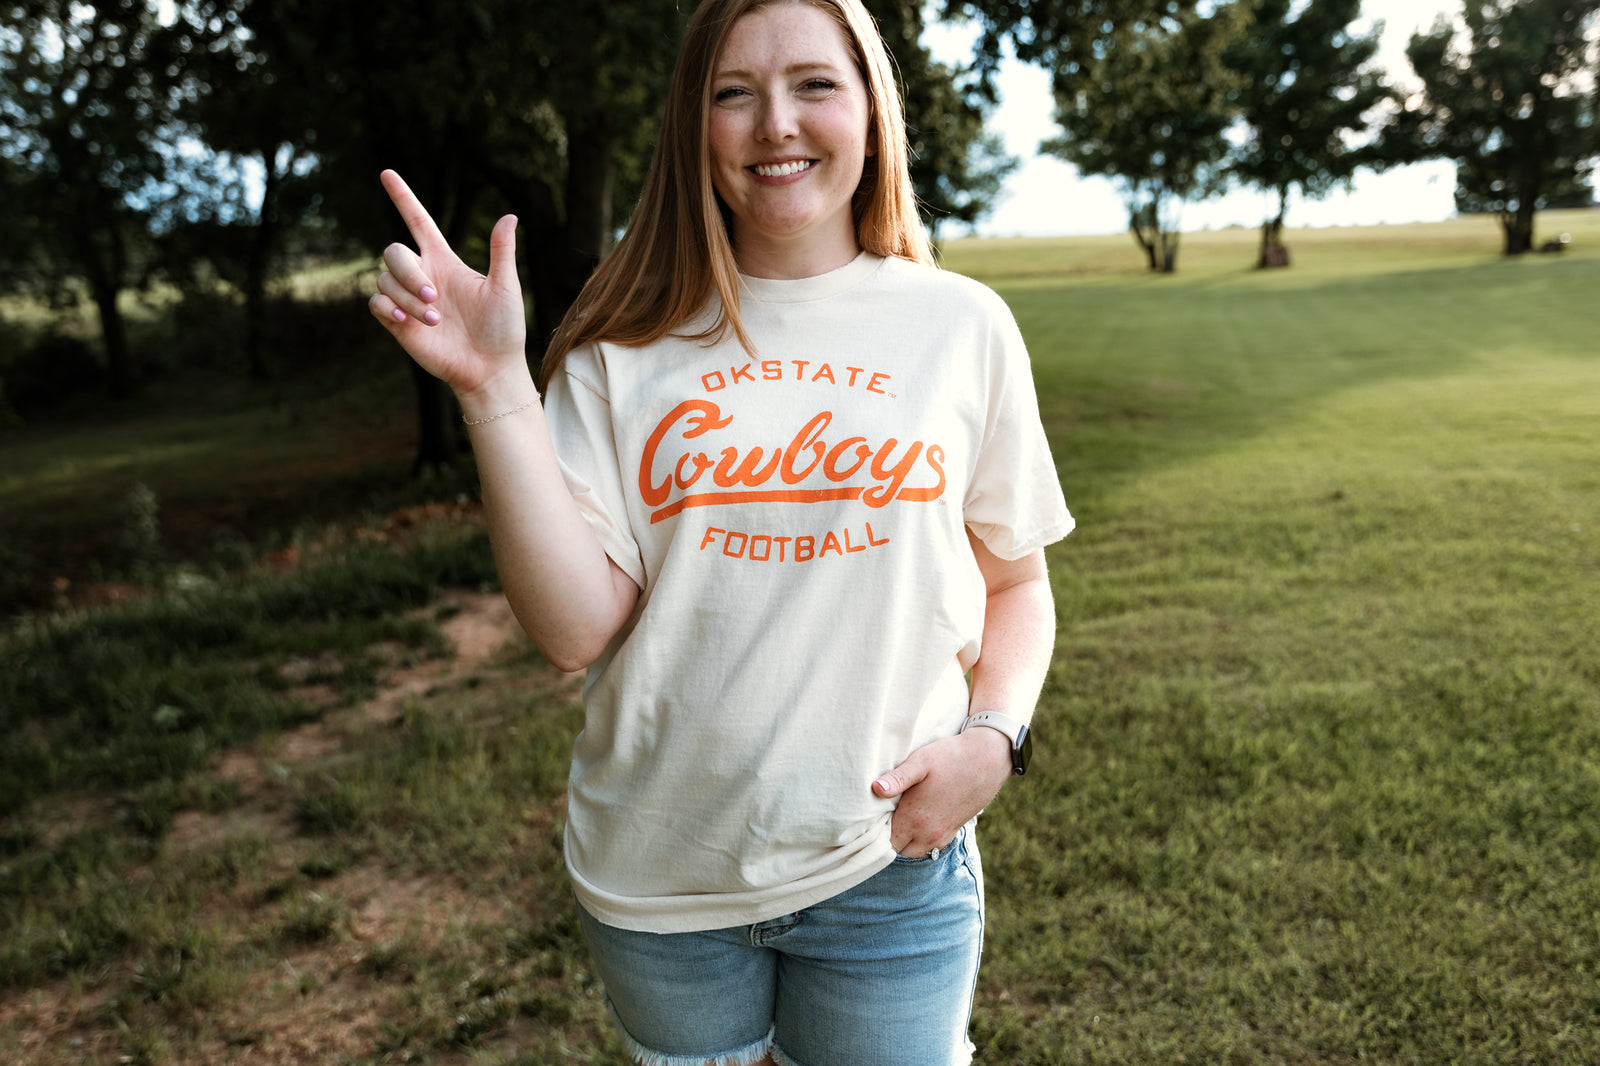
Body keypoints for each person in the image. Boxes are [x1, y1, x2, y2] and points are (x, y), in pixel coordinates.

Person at [369, 0, 1072, 1062]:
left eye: (813, 85)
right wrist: (493, 391)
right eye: (732, 93)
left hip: (887, 863)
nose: (774, 123)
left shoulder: (961, 326)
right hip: (661, 879)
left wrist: (993, 740)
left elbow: (1015, 584)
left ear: (872, 112)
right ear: (692, 129)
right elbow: (573, 630)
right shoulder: (624, 344)